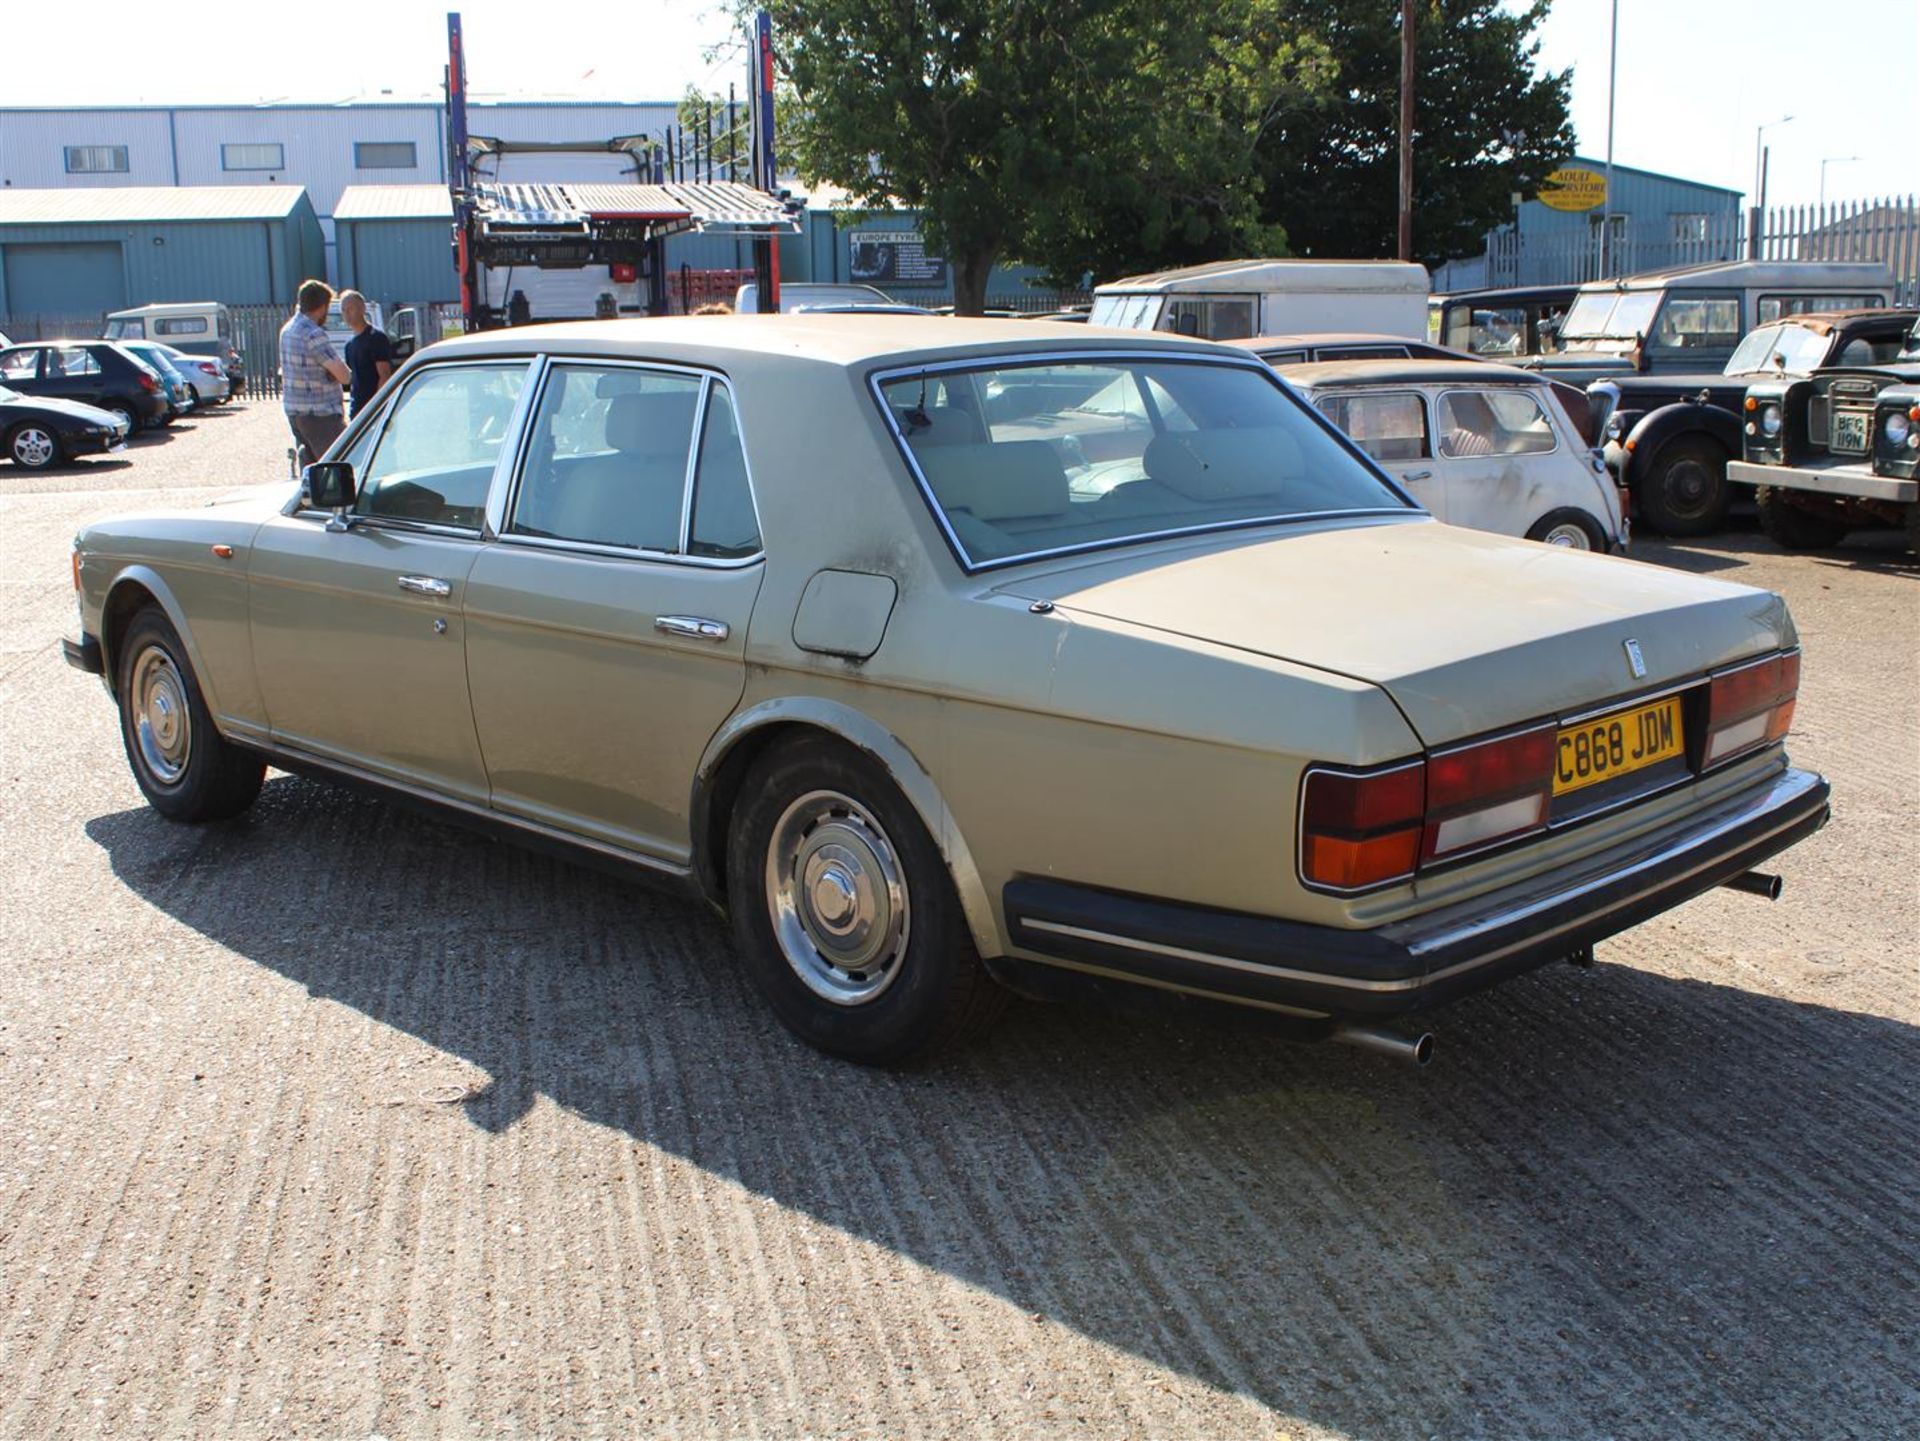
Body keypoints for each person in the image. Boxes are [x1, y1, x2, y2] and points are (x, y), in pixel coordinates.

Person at [279, 279, 349, 467]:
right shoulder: (312, 333)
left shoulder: (287, 330)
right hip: (320, 414)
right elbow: (344, 375)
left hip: (295, 410)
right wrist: (332, 373)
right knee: (338, 468)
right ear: (322, 306)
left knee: (311, 474)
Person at [339, 290, 394, 418]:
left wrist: (375, 407)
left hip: (375, 410)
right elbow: (352, 378)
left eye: (350, 309)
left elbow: (384, 376)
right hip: (356, 408)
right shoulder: (349, 344)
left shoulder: (376, 338)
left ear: (362, 309)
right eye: (343, 310)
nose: (347, 314)